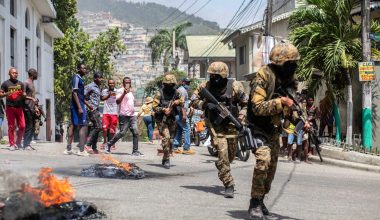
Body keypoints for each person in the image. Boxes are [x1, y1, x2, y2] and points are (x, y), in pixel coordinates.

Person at [247, 42, 310, 218]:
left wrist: (301, 120)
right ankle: (254, 203)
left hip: (274, 129)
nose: (294, 67)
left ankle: (260, 199)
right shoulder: (263, 76)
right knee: (263, 161)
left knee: (271, 169)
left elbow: (291, 109)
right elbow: (257, 107)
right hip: (257, 127)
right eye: (291, 64)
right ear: (281, 63)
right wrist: (280, 102)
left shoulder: (289, 81)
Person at [191, 61, 248, 198]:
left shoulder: (235, 86)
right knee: (222, 152)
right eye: (212, 76)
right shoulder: (205, 86)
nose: (214, 79)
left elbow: (247, 104)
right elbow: (193, 100)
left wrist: (241, 116)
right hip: (215, 125)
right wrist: (204, 104)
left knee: (231, 155)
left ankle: (222, 165)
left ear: (224, 76)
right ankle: (229, 184)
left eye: (217, 76)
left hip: (232, 125)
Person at [104, 77, 143, 156]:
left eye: (129, 82)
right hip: (124, 115)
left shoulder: (131, 92)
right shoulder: (120, 91)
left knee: (135, 132)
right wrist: (124, 93)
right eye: (126, 82)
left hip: (132, 115)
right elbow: (117, 101)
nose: (127, 84)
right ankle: (108, 144)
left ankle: (135, 151)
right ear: (123, 83)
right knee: (122, 133)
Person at [152, 73, 184, 168]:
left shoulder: (177, 92)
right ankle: (166, 159)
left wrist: (176, 102)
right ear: (164, 84)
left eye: (171, 85)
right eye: (167, 84)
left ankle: (165, 156)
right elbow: (154, 107)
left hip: (172, 119)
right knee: (166, 137)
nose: (169, 86)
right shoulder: (159, 93)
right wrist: (163, 109)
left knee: (171, 140)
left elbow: (182, 101)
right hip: (162, 119)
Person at [64, 63, 89, 156]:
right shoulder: (76, 78)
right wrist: (79, 107)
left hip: (80, 104)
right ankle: (81, 150)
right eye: (83, 68)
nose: (85, 70)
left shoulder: (80, 78)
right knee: (83, 125)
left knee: (74, 125)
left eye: (85, 68)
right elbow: (74, 93)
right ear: (78, 69)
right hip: (77, 105)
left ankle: (68, 149)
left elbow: (80, 95)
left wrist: (87, 104)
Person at [0, 68, 26, 150]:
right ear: (9, 74)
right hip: (10, 107)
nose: (15, 74)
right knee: (11, 126)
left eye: (16, 73)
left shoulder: (21, 84)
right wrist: (8, 93)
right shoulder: (5, 84)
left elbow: (24, 94)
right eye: (13, 73)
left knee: (22, 126)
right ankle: (12, 144)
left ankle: (18, 142)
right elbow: (1, 95)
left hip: (19, 107)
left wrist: (23, 94)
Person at [173, 77, 194, 154]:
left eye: (189, 82)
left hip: (177, 113)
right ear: (183, 82)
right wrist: (184, 114)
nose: (188, 84)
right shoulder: (182, 91)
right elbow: (181, 104)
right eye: (187, 83)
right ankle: (186, 148)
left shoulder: (180, 89)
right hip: (180, 113)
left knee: (180, 129)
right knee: (187, 129)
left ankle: (175, 147)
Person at [84, 72, 103, 154]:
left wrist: (109, 95)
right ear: (95, 78)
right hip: (92, 109)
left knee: (96, 127)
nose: (101, 79)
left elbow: (101, 98)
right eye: (100, 78)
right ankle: (87, 145)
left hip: (97, 109)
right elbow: (81, 96)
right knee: (98, 127)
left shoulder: (98, 87)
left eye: (102, 77)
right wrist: (89, 106)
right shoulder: (90, 86)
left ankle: (94, 147)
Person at [22, 68, 38, 150]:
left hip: (32, 108)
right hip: (27, 107)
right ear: (32, 74)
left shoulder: (32, 83)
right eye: (36, 73)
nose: (37, 75)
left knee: (32, 126)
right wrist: (31, 98)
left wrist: (36, 107)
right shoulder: (26, 83)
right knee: (29, 126)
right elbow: (23, 95)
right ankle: (25, 144)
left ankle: (28, 143)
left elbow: (34, 97)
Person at [101, 79, 118, 150]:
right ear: (108, 84)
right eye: (110, 83)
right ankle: (105, 141)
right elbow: (102, 99)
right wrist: (109, 95)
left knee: (112, 129)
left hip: (114, 112)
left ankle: (112, 143)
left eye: (112, 83)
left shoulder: (117, 91)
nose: (111, 84)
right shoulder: (104, 91)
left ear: (114, 84)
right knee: (104, 129)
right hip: (106, 112)